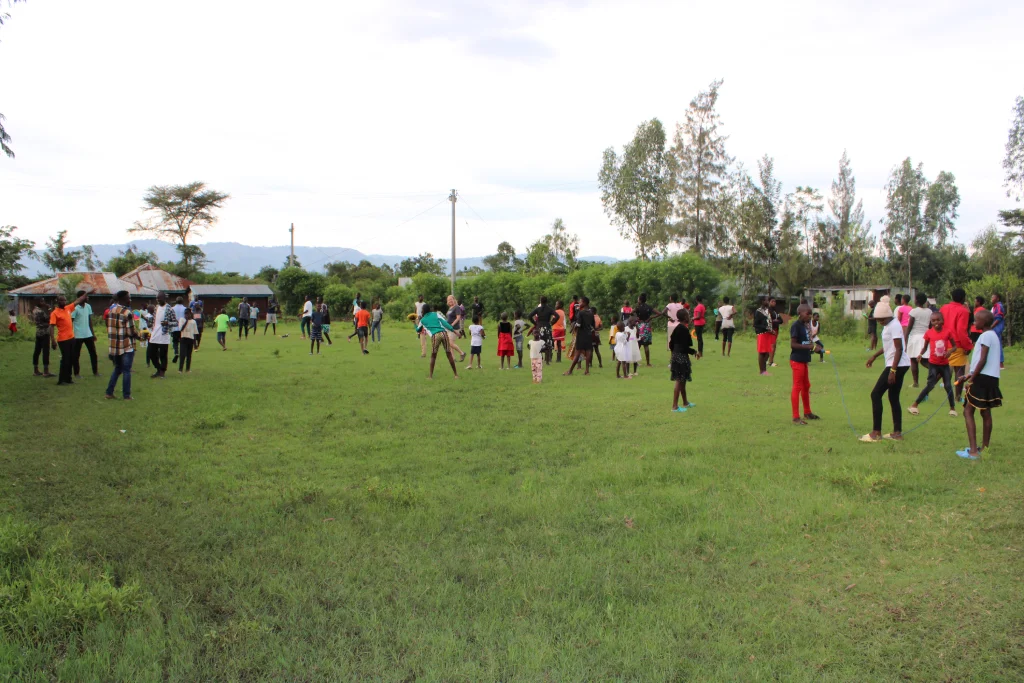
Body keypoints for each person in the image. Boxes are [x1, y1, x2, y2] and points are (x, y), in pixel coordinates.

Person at [861, 297, 911, 442]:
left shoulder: (894, 325)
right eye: (878, 320)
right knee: (893, 397)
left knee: (875, 394)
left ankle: (876, 432)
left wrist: (893, 371)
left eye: (882, 319)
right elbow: (889, 346)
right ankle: (897, 433)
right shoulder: (889, 325)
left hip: (897, 365)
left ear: (889, 316)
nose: (880, 322)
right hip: (899, 364)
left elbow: (899, 349)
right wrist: (874, 356)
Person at [958, 310, 1002, 460]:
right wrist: (969, 374)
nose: (974, 322)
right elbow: (984, 361)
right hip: (991, 377)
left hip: (982, 378)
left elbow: (982, 360)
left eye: (976, 320)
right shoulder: (993, 335)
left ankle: (973, 452)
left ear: (983, 322)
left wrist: (973, 378)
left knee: (968, 411)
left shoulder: (985, 336)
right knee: (985, 412)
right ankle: (984, 448)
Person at [908, 311, 956, 417]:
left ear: (942, 320)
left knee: (948, 386)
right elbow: (925, 347)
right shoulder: (929, 333)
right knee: (930, 385)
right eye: (933, 321)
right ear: (931, 322)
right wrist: (920, 354)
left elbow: (954, 346)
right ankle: (914, 405)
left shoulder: (948, 332)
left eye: (938, 320)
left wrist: (949, 352)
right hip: (933, 364)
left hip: (944, 364)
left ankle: (952, 409)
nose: (936, 322)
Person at [940, 288, 974, 404]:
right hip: (957, 344)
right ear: (963, 298)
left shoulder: (943, 308)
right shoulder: (963, 311)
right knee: (959, 371)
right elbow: (961, 331)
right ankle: (958, 396)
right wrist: (968, 346)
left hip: (944, 343)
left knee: (941, 370)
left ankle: (925, 392)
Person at [49, 290, 90, 386]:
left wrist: (87, 293)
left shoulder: (68, 308)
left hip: (72, 338)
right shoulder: (55, 313)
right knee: (65, 359)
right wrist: (52, 340)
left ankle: (68, 378)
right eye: (61, 301)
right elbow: (51, 326)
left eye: (64, 300)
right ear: (57, 302)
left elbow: (78, 300)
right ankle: (61, 380)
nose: (63, 302)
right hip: (63, 339)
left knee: (71, 358)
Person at [104, 290, 138, 400]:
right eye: (128, 298)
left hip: (115, 346)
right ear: (123, 299)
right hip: (126, 346)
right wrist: (141, 336)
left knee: (118, 368)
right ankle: (126, 395)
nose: (130, 300)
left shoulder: (110, 311)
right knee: (127, 370)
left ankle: (109, 393)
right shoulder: (127, 313)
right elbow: (131, 332)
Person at [789, 304, 819, 426]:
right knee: (798, 387)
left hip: (804, 359)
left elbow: (809, 341)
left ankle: (807, 412)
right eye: (808, 313)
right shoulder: (796, 326)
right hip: (797, 360)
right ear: (800, 313)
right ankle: (796, 417)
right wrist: (808, 347)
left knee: (806, 385)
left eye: (811, 313)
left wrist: (816, 348)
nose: (810, 316)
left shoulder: (806, 325)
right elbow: (793, 344)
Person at [414, 304, 459, 379]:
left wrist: (414, 324)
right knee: (449, 354)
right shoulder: (436, 314)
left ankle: (430, 376)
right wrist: (454, 331)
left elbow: (418, 330)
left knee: (433, 356)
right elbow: (445, 323)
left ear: (423, 310)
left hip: (435, 336)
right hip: (444, 333)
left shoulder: (423, 320)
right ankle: (456, 375)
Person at [669, 308, 698, 412]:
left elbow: (671, 343)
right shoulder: (684, 330)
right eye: (688, 315)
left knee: (683, 381)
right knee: (679, 381)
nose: (690, 316)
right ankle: (675, 406)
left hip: (676, 356)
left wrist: (674, 353)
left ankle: (685, 402)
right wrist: (694, 352)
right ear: (685, 317)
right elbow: (684, 347)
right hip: (681, 357)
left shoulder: (677, 328)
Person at [905, 293, 933, 387]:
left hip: (915, 337)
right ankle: (936, 370)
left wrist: (905, 339)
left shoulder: (914, 311)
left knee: (913, 360)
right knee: (924, 360)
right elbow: (930, 325)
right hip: (925, 337)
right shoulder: (929, 311)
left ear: (916, 300)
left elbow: (909, 327)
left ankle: (915, 382)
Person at [70, 290, 98, 378]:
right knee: (76, 355)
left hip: (88, 334)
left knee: (93, 353)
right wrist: (70, 335)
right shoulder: (75, 308)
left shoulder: (88, 306)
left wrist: (93, 333)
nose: (88, 298)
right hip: (78, 335)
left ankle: (95, 372)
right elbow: (71, 322)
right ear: (81, 298)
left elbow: (89, 321)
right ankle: (76, 373)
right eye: (86, 296)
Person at [565, 297, 596, 376]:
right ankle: (587, 371)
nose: (579, 303)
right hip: (588, 335)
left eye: (580, 301)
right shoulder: (591, 313)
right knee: (588, 352)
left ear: (585, 303)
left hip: (581, 335)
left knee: (577, 353)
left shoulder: (581, 313)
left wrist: (573, 329)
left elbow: (578, 324)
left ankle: (570, 371)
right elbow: (593, 326)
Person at [524, 296, 558, 366]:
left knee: (539, 343)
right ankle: (547, 361)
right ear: (546, 301)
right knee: (547, 344)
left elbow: (529, 316)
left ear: (540, 301)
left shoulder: (538, 309)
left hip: (539, 327)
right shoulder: (549, 309)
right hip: (547, 327)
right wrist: (552, 322)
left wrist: (535, 323)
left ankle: (540, 358)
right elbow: (557, 316)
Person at [148, 293, 176, 377]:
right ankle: (158, 368)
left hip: (164, 335)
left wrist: (168, 323)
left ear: (164, 298)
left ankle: (162, 372)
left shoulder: (169, 309)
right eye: (157, 299)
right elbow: (153, 320)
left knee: (163, 355)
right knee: (151, 353)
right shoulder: (156, 307)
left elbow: (175, 323)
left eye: (159, 299)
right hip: (154, 334)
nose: (158, 300)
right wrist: (149, 323)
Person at [633, 293, 664, 367]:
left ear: (640, 300)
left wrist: (636, 318)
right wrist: (651, 317)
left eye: (638, 299)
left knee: (638, 344)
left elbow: (631, 312)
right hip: (647, 326)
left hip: (639, 326)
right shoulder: (649, 307)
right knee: (646, 345)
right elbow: (659, 313)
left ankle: (635, 362)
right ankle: (648, 363)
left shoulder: (638, 307)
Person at [31, 299, 52, 377]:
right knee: (45, 352)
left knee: (37, 351)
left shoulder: (34, 310)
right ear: (39, 302)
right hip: (44, 333)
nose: (44, 303)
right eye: (42, 301)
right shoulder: (40, 311)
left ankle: (36, 370)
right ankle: (46, 371)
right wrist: (49, 309)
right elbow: (49, 319)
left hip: (38, 332)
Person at [754, 297, 773, 375]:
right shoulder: (758, 311)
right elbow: (756, 324)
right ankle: (762, 371)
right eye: (766, 300)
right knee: (762, 352)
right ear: (762, 301)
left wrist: (771, 330)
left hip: (768, 333)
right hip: (762, 333)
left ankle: (764, 370)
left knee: (767, 352)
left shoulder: (767, 311)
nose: (767, 302)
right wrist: (766, 328)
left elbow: (768, 322)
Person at [444, 295, 467, 361]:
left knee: (451, 343)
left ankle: (462, 353)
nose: (450, 301)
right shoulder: (450, 308)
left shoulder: (456, 307)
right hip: (448, 327)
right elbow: (448, 317)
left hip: (454, 328)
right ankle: (453, 358)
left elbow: (458, 317)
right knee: (449, 343)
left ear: (454, 299)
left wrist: (452, 324)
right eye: (448, 300)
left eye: (451, 299)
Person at [767, 298, 784, 368]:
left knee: (772, 345)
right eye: (772, 301)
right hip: (771, 330)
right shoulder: (768, 310)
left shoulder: (775, 311)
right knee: (773, 345)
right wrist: (775, 320)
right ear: (769, 302)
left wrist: (776, 320)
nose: (774, 303)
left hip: (776, 329)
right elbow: (769, 320)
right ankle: (771, 362)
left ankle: (768, 360)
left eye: (775, 301)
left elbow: (781, 320)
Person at [991, 293, 1005, 368]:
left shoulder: (999, 306)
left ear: (998, 298)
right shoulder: (995, 306)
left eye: (993, 297)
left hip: (997, 328)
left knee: (997, 345)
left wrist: (991, 326)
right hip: (995, 328)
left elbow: (999, 318)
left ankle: (1000, 363)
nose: (991, 298)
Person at [171, 296, 187, 362]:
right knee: (182, 342)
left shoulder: (172, 309)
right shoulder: (185, 309)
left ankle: (176, 353)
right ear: (182, 301)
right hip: (182, 328)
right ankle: (182, 354)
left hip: (174, 328)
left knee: (175, 342)